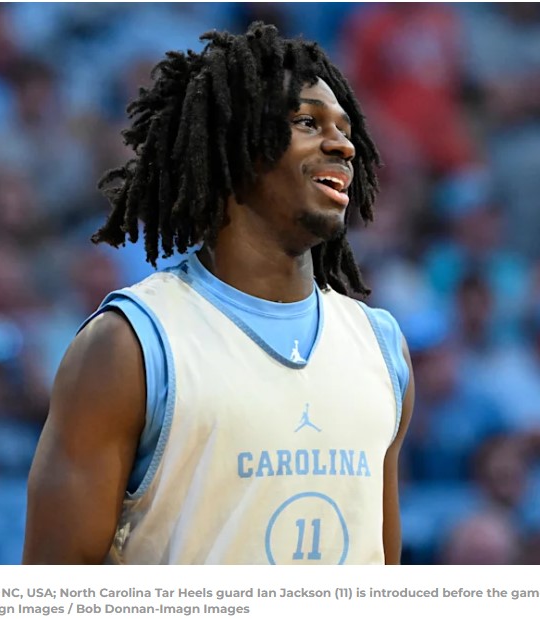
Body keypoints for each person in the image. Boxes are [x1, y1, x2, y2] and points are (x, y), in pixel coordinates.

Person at [23, 23, 414, 565]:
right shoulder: (128, 347)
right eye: (308, 123)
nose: (342, 144)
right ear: (238, 147)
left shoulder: (382, 347)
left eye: (345, 129)